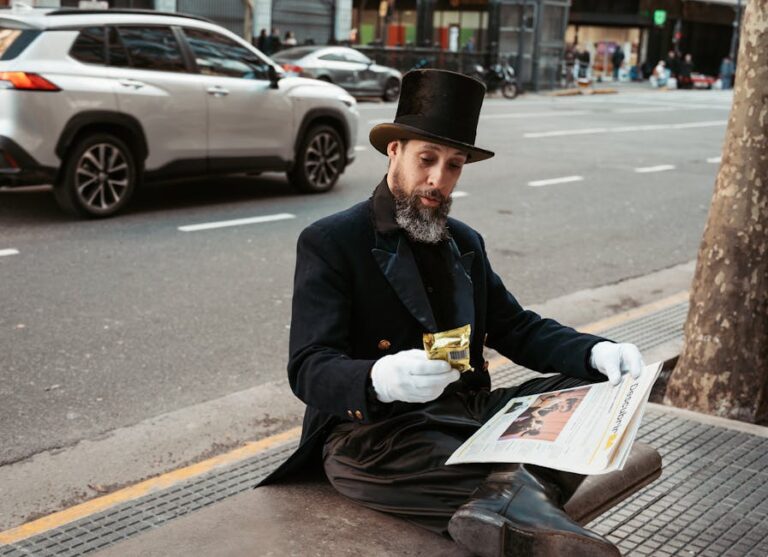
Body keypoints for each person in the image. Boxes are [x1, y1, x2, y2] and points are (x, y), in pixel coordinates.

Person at [260, 69, 645, 557]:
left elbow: (516, 327)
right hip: (379, 435)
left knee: (590, 393)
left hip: (468, 414)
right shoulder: (332, 240)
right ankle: (519, 502)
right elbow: (308, 366)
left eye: (454, 165)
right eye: (427, 159)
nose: (438, 180)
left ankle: (506, 503)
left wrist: (596, 353)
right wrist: (378, 379)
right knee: (379, 462)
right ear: (394, 150)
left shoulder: (465, 241)